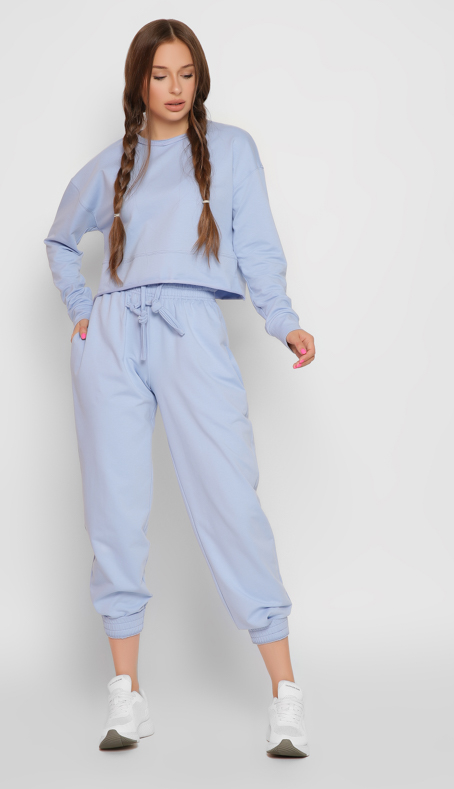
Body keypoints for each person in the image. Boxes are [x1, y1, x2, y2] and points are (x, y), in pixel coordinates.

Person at [44, 19, 315, 757]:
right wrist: (82, 311)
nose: (174, 88)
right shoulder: (113, 163)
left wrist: (282, 320)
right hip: (111, 336)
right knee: (114, 508)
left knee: (230, 500)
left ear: (201, 79)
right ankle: (126, 696)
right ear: (139, 81)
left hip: (191, 327)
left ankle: (285, 695)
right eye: (160, 74)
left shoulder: (232, 149)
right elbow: (61, 239)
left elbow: (258, 246)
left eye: (186, 74)